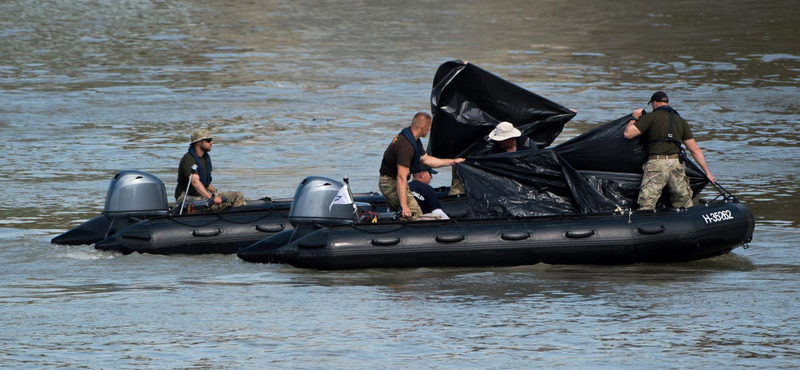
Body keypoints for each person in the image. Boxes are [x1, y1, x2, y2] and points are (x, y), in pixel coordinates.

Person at [623, 91, 715, 210]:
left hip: (656, 165)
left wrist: (634, 117)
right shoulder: (680, 121)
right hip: (676, 165)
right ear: (668, 103)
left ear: (655, 103)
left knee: (647, 204)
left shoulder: (649, 118)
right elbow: (695, 150)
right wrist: (707, 172)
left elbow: (628, 134)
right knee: (683, 203)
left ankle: (645, 224)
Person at [379, 112, 464, 220]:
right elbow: (401, 177)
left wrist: (452, 162)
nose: (429, 130)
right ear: (423, 126)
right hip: (390, 182)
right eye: (429, 127)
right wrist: (404, 206)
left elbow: (427, 160)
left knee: (402, 215)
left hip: (393, 181)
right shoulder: (406, 146)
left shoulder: (414, 140)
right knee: (415, 213)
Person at [175, 129, 246, 213]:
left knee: (238, 195)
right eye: (208, 140)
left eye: (211, 140)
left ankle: (236, 220)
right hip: (186, 197)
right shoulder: (188, 159)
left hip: (202, 194)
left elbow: (206, 183)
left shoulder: (205, 158)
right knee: (216, 203)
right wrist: (211, 197)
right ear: (198, 142)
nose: (211, 142)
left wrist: (216, 193)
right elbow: (195, 182)